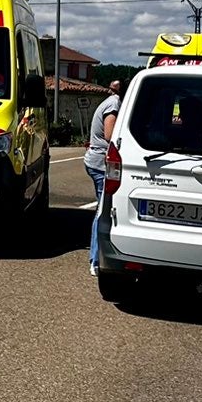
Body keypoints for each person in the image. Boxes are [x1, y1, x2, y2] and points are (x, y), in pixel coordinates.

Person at [83, 79, 124, 274]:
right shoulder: (114, 104)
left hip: (95, 161)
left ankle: (97, 257)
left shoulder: (109, 102)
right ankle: (95, 259)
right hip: (100, 163)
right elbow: (110, 134)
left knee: (103, 209)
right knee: (102, 211)